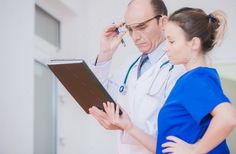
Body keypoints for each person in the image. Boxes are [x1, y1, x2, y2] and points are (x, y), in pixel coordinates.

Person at [103, 7, 236, 154]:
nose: (165, 48)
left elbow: (228, 117)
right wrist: (129, 127)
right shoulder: (189, 80)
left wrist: (195, 149)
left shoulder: (195, 79)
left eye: (171, 42)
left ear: (194, 44)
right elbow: (165, 147)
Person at [89, 0, 184, 153]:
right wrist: (106, 52)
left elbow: (171, 131)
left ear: (163, 22)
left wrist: (124, 125)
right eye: (130, 29)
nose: (135, 37)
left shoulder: (179, 67)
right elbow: (100, 96)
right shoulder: (129, 65)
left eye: (141, 27)